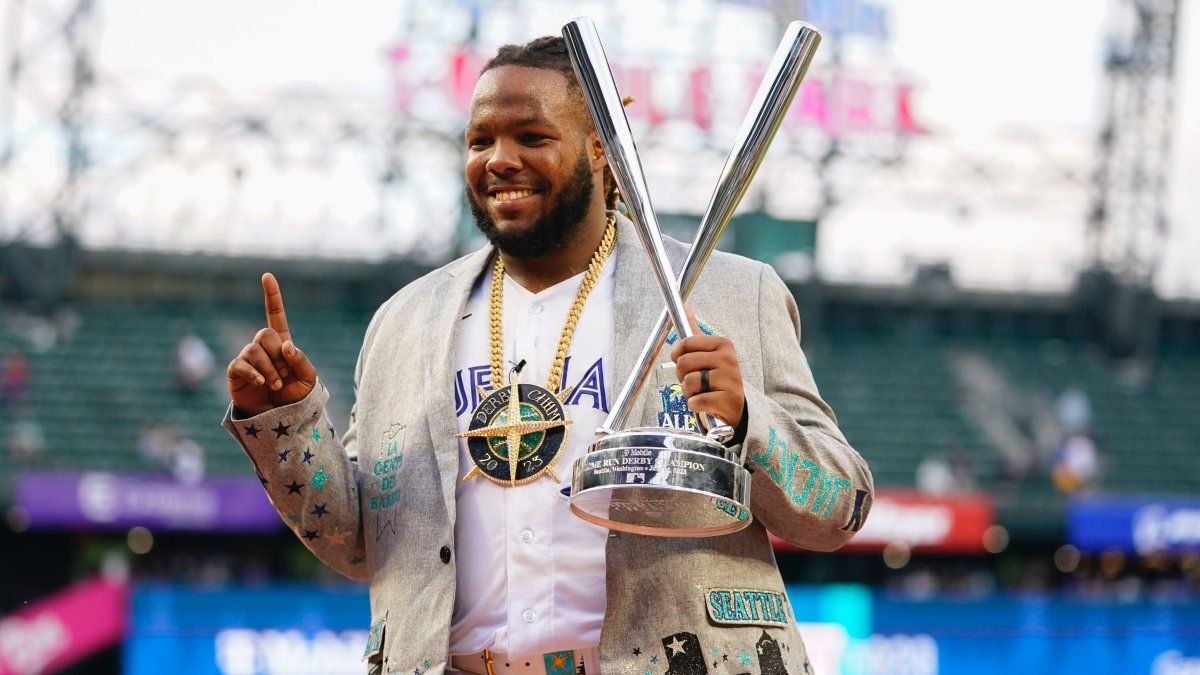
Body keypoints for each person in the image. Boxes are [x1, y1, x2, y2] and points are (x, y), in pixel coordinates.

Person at [222, 36, 872, 675]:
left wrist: (746, 420)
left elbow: (840, 506)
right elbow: (363, 542)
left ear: (602, 151)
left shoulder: (731, 290)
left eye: (531, 137)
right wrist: (288, 421)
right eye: (480, 140)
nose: (499, 159)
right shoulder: (404, 320)